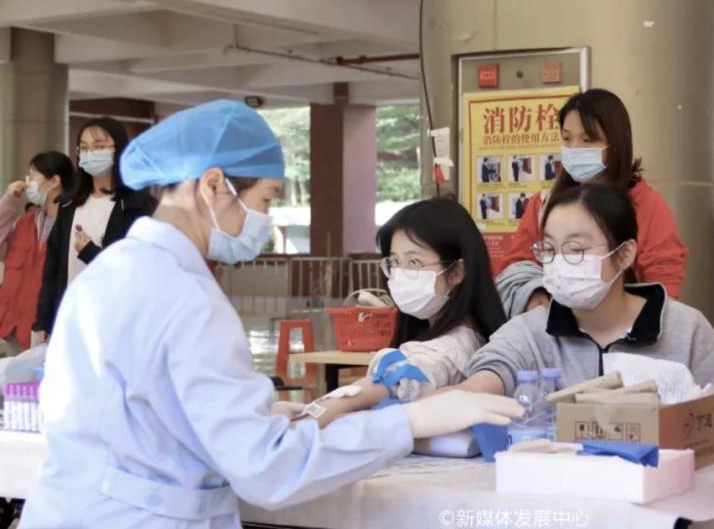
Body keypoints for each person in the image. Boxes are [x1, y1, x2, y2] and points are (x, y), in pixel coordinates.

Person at [20, 100, 521, 529]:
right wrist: (406, 422)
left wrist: (253, 415)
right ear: (213, 186)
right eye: (265, 200)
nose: (266, 219)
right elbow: (267, 468)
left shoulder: (110, 272)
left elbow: (139, 412)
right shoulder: (187, 298)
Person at [461, 184, 714, 395]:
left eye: (576, 250)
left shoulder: (686, 330)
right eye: (550, 249)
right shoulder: (532, 331)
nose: (560, 262)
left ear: (624, 254)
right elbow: (484, 379)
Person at [309, 198, 508, 419]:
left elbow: (400, 378)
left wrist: (309, 415)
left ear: (456, 272)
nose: (400, 275)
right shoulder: (479, 337)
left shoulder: (447, 350)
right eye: (394, 262)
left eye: (414, 262)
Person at [497, 89, 689, 317]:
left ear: (615, 142)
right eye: (567, 139)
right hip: (552, 326)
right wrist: (532, 294)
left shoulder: (647, 204)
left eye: (587, 139)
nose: (575, 148)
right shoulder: (544, 204)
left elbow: (664, 281)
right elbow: (516, 266)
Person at [34, 117, 156, 341]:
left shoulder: (137, 206)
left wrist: (91, 252)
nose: (90, 154)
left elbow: (137, 270)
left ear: (118, 150)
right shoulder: (69, 204)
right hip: (70, 318)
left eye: (99, 147)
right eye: (84, 148)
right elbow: (52, 267)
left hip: (114, 322)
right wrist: (44, 319)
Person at [0, 152, 74, 356]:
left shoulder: (72, 224)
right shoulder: (25, 222)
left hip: (50, 328)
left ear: (54, 181)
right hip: (14, 328)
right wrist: (8, 202)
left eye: (33, 176)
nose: (27, 183)